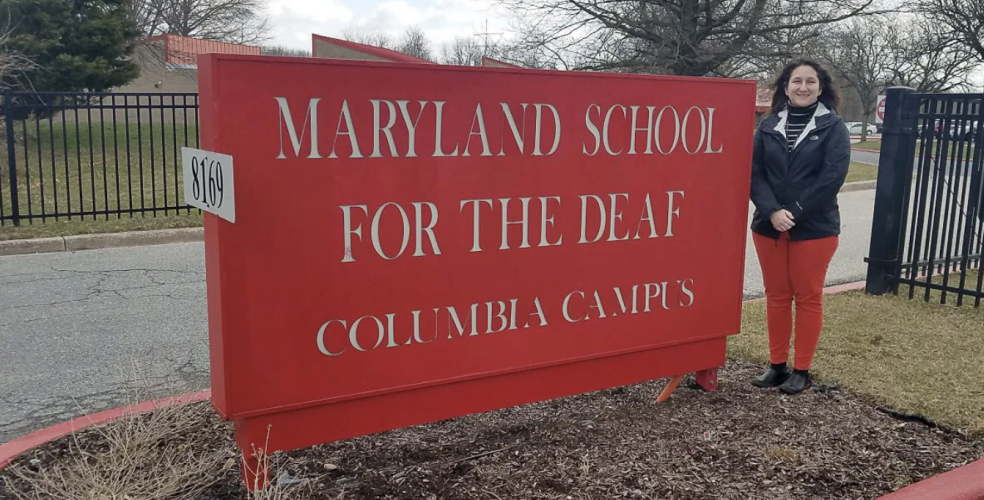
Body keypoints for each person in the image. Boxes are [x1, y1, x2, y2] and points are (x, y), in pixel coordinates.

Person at [748, 58, 851, 395]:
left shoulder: (833, 127)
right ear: (785, 87)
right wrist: (772, 210)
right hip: (768, 227)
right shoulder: (767, 125)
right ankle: (777, 365)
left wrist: (794, 211)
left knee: (807, 297)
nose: (803, 87)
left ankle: (801, 370)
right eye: (796, 81)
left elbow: (831, 177)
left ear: (821, 88)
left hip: (815, 228)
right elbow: (754, 173)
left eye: (810, 82)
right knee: (776, 297)